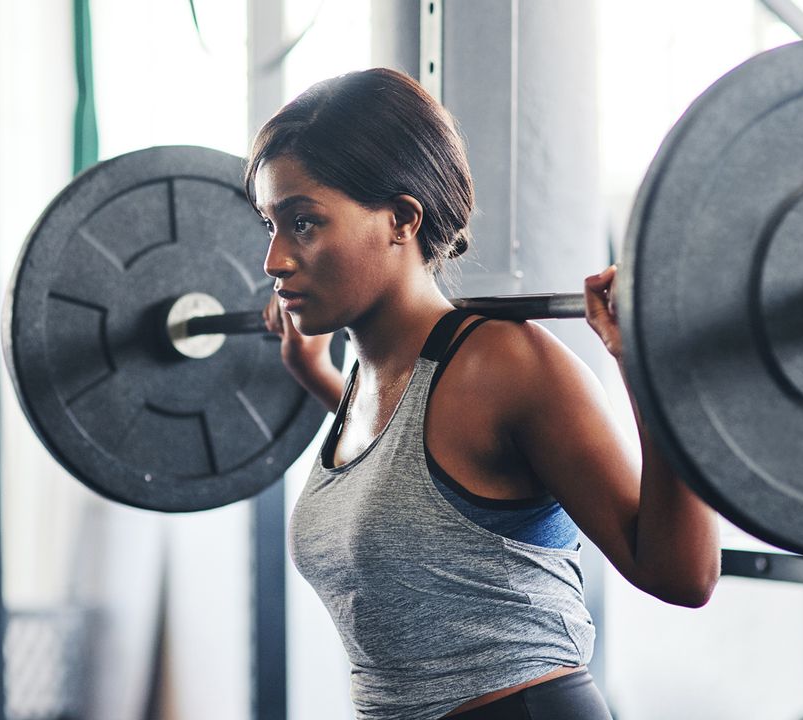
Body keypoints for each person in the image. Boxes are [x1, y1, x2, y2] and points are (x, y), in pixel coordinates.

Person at [249, 67, 719, 720]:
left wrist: (656, 370)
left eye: (303, 223)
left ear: (401, 219)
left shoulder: (504, 365)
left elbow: (681, 574)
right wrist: (317, 377)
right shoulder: (370, 381)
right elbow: (414, 479)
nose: (273, 259)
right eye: (268, 224)